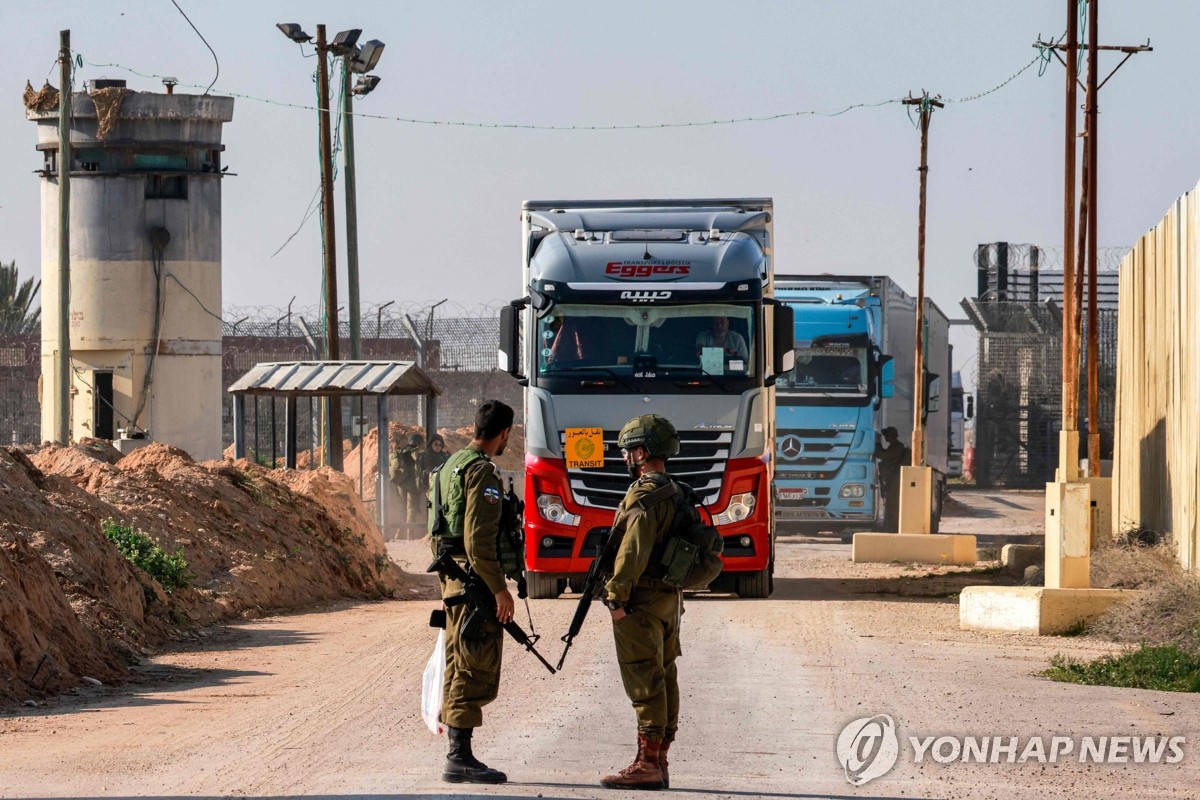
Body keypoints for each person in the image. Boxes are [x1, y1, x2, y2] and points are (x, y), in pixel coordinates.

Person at [429, 400, 516, 784]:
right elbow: (479, 540)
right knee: (473, 664)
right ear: (504, 433)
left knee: (458, 660)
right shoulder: (481, 472)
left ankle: (458, 753)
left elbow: (436, 531)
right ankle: (459, 757)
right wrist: (499, 591)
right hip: (473, 582)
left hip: (454, 581)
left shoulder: (449, 465)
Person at [599, 413, 685, 791]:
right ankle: (660, 760)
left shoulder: (643, 494)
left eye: (629, 451)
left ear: (642, 452)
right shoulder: (676, 490)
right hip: (668, 598)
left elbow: (632, 550)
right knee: (665, 674)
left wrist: (616, 596)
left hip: (642, 600)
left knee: (643, 676)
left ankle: (647, 763)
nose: (626, 458)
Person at [874, 426, 911, 532]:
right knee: (890, 502)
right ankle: (891, 526)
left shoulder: (897, 447)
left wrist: (877, 443)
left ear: (890, 436)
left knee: (893, 503)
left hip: (895, 479)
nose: (885, 437)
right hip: (892, 478)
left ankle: (893, 527)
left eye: (886, 435)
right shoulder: (894, 446)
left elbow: (881, 454)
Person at [389, 433, 424, 530]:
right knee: (411, 508)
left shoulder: (401, 451)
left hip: (400, 483)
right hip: (412, 483)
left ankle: (399, 532)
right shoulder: (416, 451)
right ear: (419, 443)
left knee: (403, 508)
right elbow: (420, 464)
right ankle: (410, 533)